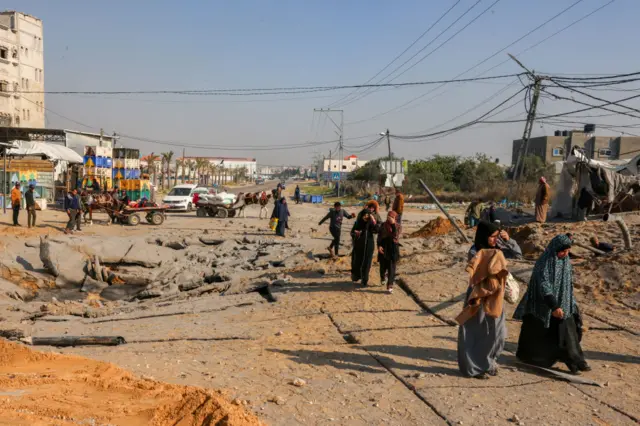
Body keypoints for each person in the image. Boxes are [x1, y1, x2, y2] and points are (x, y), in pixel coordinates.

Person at [513, 234, 590, 375]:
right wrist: (553, 305)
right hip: (541, 304)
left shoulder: (565, 261)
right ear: (555, 249)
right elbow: (544, 285)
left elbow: (568, 285)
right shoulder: (544, 262)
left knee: (568, 331)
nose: (565, 254)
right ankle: (527, 357)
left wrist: (570, 303)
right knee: (535, 331)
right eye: (563, 251)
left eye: (567, 251)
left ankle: (576, 361)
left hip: (564, 302)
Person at [457, 221, 509, 379]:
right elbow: (481, 271)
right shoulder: (476, 251)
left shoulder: (496, 248)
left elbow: (517, 252)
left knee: (497, 332)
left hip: (494, 297)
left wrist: (509, 241)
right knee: (475, 333)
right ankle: (474, 368)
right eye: (492, 237)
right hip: (478, 296)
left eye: (496, 236)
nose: (495, 240)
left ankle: (488, 362)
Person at [350, 201, 380, 286]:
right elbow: (352, 232)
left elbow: (377, 230)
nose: (366, 217)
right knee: (357, 261)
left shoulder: (371, 223)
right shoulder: (358, 223)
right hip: (359, 246)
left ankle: (364, 280)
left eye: (367, 216)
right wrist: (355, 233)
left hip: (369, 246)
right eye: (365, 215)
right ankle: (356, 276)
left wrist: (374, 221)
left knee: (367, 263)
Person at [378, 211, 400, 294]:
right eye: (388, 217)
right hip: (384, 246)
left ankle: (390, 285)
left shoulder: (398, 226)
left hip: (393, 248)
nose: (389, 218)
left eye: (391, 217)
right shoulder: (383, 225)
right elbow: (379, 237)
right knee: (383, 266)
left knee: (392, 268)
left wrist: (393, 224)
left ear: (395, 218)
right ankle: (382, 277)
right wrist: (379, 246)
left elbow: (395, 236)